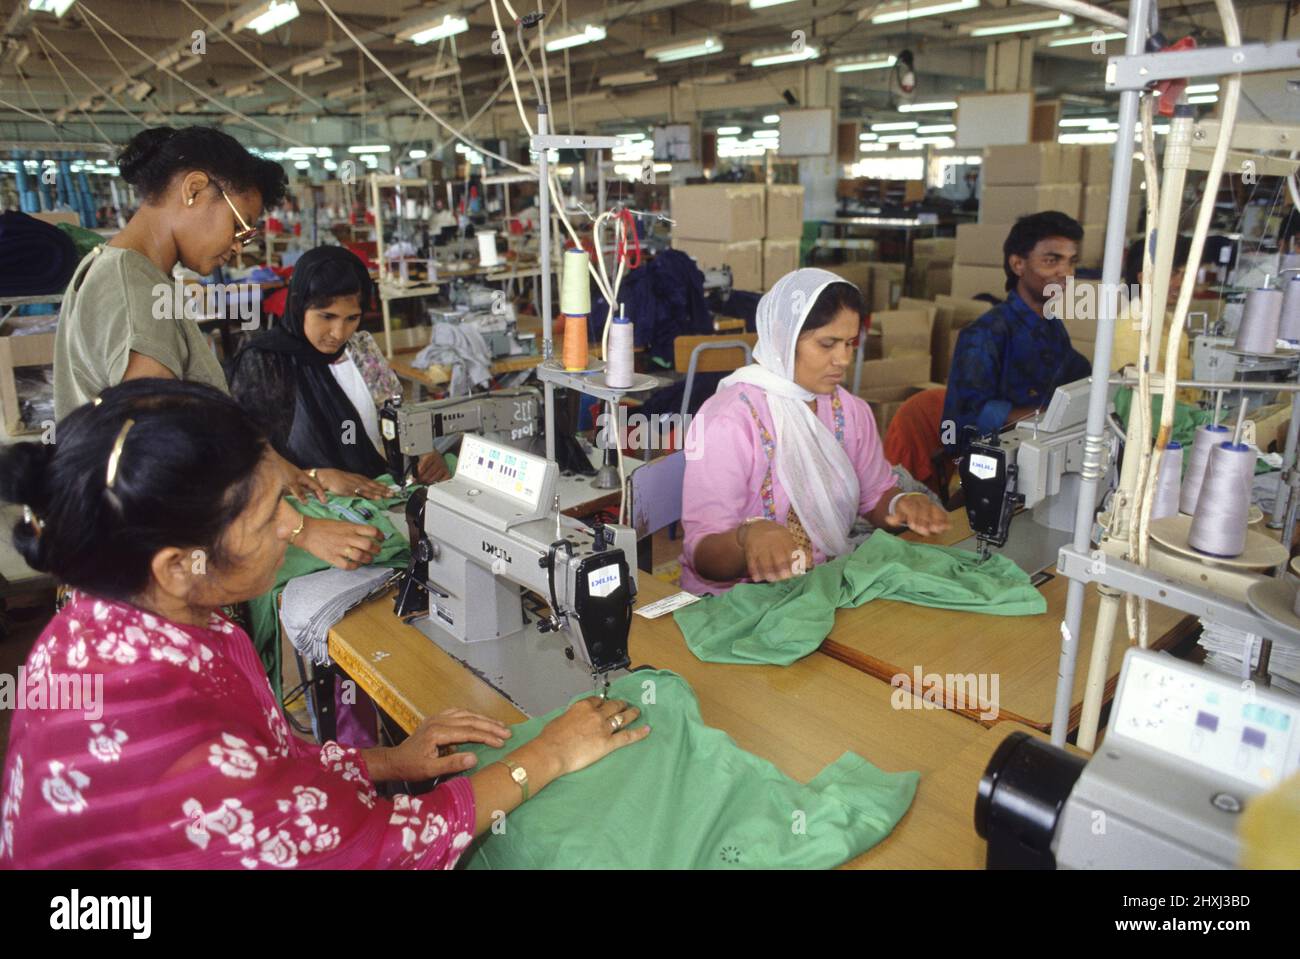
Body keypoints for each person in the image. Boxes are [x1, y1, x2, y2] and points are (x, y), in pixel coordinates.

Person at [0, 380, 649, 868]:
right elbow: (373, 849)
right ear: (177, 566)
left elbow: (269, 766)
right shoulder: (175, 756)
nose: (293, 525)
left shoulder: (92, 621)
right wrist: (549, 752)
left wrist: (383, 760)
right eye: (267, 517)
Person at [51, 125, 380, 572]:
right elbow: (162, 446)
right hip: (144, 558)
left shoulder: (120, 272)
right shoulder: (135, 288)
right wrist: (298, 529)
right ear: (194, 189)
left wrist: (271, 464)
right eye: (239, 227)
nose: (237, 248)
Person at [680, 268, 950, 595]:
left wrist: (902, 503)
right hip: (736, 600)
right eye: (827, 344)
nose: (843, 359)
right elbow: (704, 556)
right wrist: (747, 538)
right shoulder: (729, 421)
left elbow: (874, 495)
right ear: (783, 335)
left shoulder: (849, 412)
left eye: (850, 344)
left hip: (820, 582)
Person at [227, 246, 450, 488]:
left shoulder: (360, 348)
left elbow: (395, 415)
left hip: (374, 487)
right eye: (326, 316)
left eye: (352, 318)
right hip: (306, 501)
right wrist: (318, 478)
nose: (338, 333)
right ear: (298, 305)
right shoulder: (265, 362)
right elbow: (250, 459)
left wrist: (422, 451)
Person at [942, 211, 1093, 453]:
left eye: (1071, 261)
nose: (1066, 272)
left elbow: (1077, 373)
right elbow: (961, 424)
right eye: (1052, 260)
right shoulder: (984, 335)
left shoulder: (1051, 325)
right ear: (1018, 264)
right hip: (994, 468)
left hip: (1047, 450)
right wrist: (1043, 419)